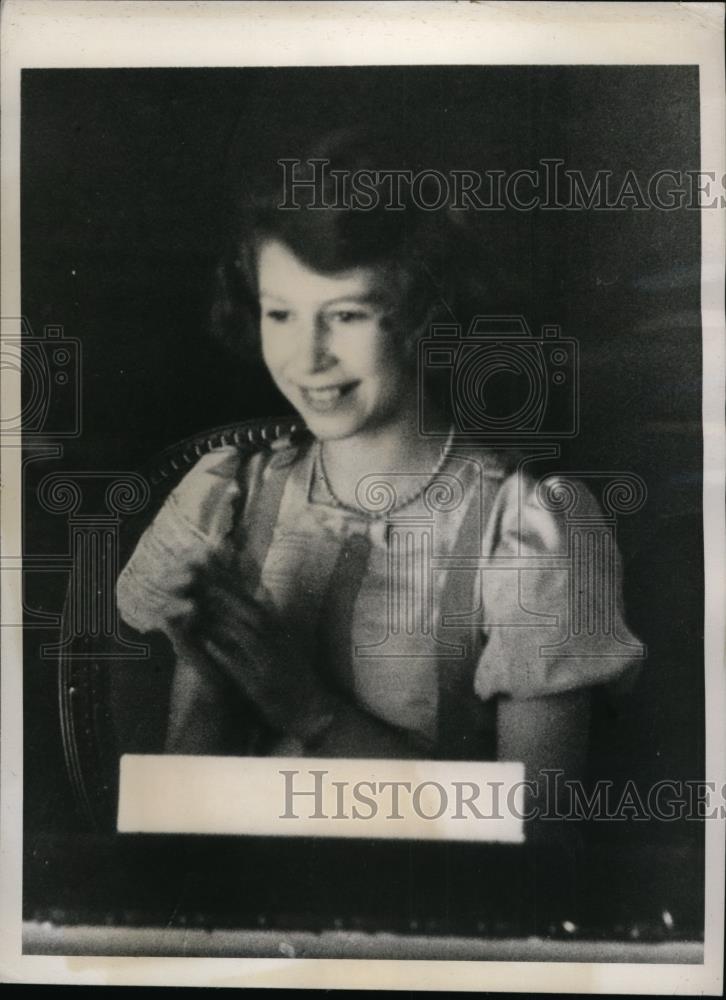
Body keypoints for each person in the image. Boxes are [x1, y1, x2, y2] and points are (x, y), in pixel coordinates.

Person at [116, 129, 640, 801]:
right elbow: (170, 815)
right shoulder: (225, 496)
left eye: (347, 315)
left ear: (425, 311)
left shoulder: (532, 532)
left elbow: (537, 837)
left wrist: (310, 711)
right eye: (281, 314)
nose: (307, 358)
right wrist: (213, 695)